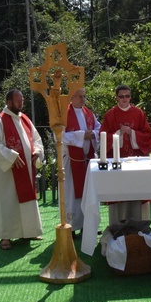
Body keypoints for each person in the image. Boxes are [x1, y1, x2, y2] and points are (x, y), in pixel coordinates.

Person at [0, 89, 44, 250]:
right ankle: (5, 236)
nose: (21, 103)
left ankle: (29, 231)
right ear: (9, 102)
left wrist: (37, 152)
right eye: (18, 101)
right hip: (9, 173)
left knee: (27, 200)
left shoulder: (25, 119)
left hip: (26, 169)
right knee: (8, 201)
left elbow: (37, 139)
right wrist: (11, 156)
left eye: (22, 100)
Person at [100, 85, 151, 225]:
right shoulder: (110, 114)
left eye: (127, 96)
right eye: (122, 96)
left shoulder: (138, 113)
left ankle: (139, 224)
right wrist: (119, 133)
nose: (125, 99)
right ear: (116, 97)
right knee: (119, 192)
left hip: (135, 160)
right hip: (117, 161)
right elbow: (103, 136)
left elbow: (147, 135)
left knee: (136, 190)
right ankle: (118, 224)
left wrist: (132, 133)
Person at [62, 88, 100, 234]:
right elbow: (58, 135)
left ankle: (88, 225)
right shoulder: (64, 114)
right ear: (71, 97)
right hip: (71, 161)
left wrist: (93, 134)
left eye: (84, 96)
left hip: (88, 160)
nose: (82, 99)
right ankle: (70, 226)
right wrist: (81, 135)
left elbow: (99, 128)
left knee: (88, 192)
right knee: (71, 193)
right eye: (79, 96)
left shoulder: (88, 113)